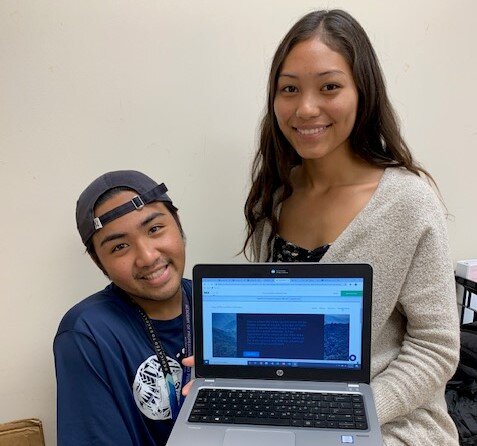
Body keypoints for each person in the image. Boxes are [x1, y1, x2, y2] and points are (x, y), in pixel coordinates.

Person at [243, 9, 460, 445]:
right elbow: (282, 324)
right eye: (289, 89)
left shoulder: (408, 200)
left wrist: (345, 413)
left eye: (329, 87)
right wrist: (229, 366)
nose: (306, 108)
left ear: (363, 92)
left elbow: (436, 348)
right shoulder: (275, 195)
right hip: (293, 413)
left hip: (392, 422)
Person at [54, 170, 193, 446]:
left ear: (178, 225)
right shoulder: (86, 333)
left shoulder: (217, 304)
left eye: (154, 229)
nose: (147, 257)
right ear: (100, 263)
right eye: (120, 247)